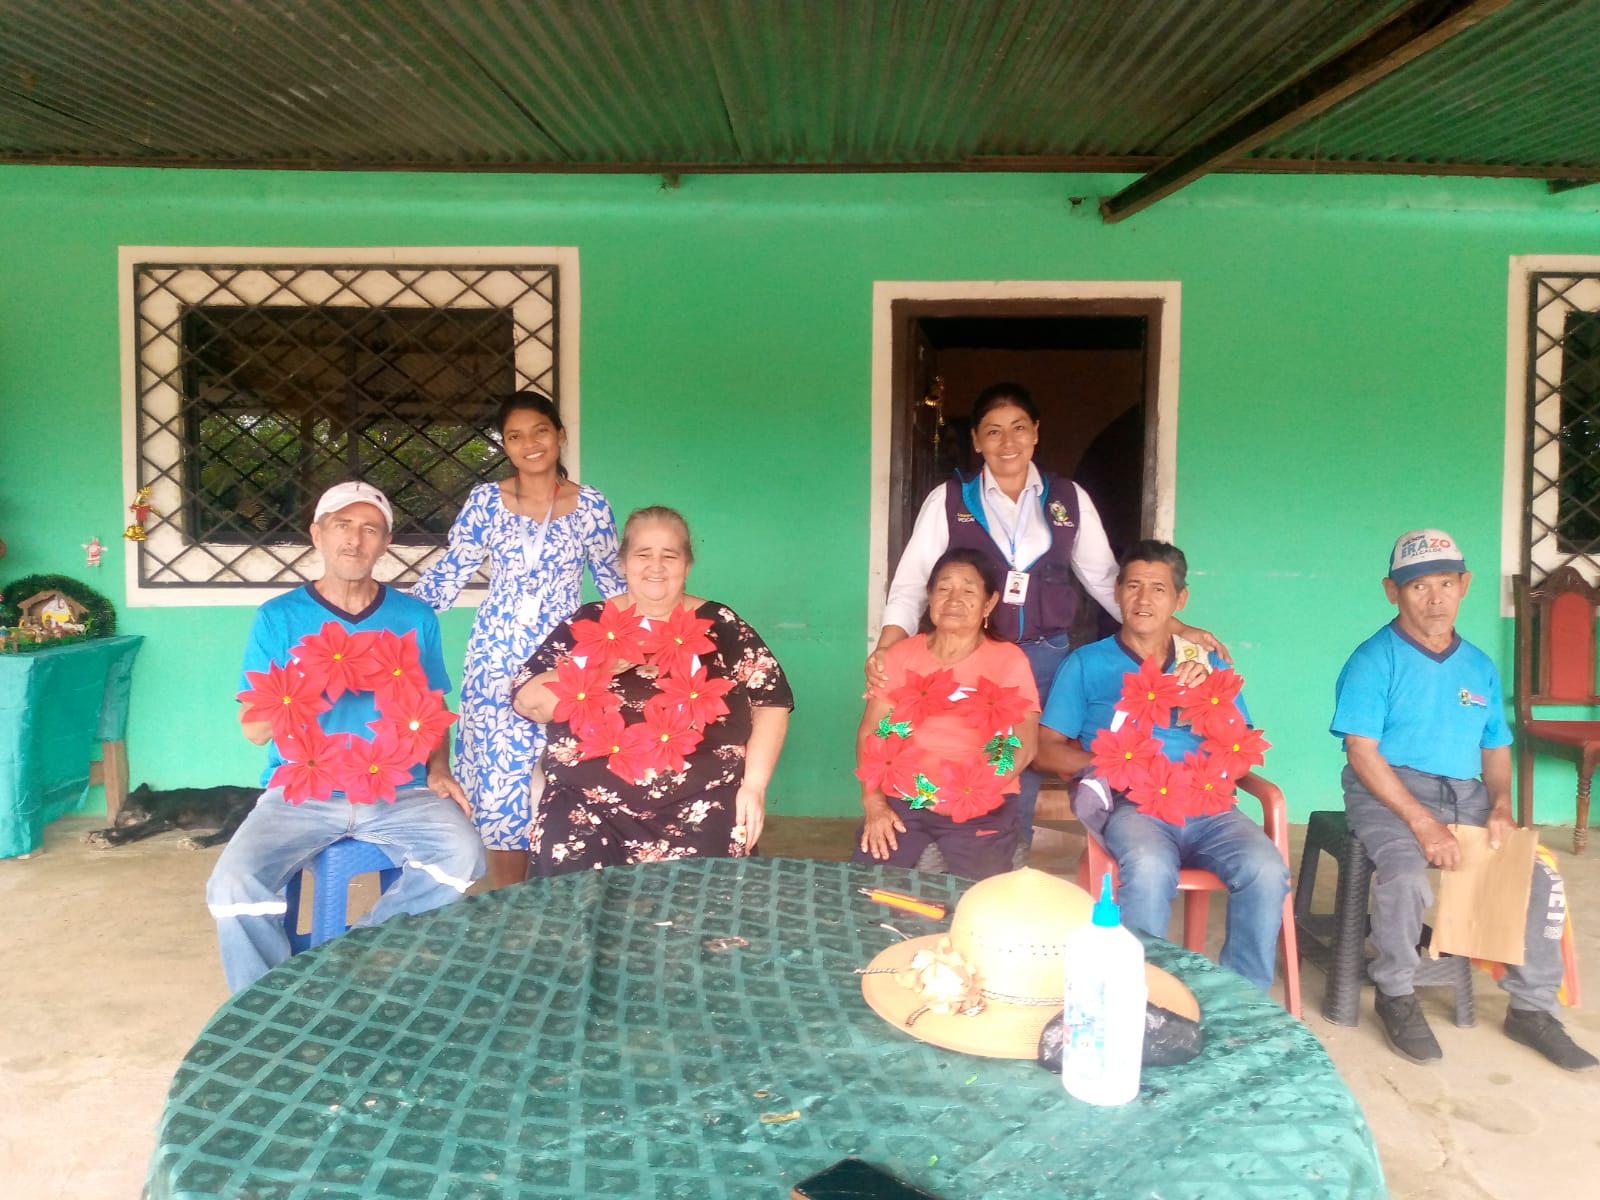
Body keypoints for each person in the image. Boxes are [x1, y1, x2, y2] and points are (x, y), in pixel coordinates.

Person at [869, 381, 1219, 855]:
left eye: (1018, 428)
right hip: (967, 657)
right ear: (976, 440)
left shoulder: (1067, 499)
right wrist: (888, 648)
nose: (1007, 442)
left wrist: (1177, 628)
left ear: (1035, 432)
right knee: (957, 746)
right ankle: (939, 850)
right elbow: (913, 581)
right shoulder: (949, 500)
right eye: (993, 431)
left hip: (1043, 657)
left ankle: (1008, 860)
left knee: (1023, 759)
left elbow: (1107, 581)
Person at [206, 482, 485, 993]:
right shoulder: (279, 617)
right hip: (300, 792)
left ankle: (346, 963)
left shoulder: (414, 617)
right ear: (317, 534)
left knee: (463, 856)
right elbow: (254, 731)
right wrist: (306, 680)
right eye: (342, 526)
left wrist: (439, 768)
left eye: (369, 529)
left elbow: (432, 710)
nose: (354, 540)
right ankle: (266, 1006)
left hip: (401, 789)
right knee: (232, 886)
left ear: (385, 543)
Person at [1332, 529, 1595, 1069]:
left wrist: (1501, 806)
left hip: (1467, 793)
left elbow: (1495, 746)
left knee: (1537, 877)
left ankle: (1531, 1009)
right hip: (1388, 790)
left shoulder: (1478, 665)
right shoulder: (1373, 659)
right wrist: (1422, 823)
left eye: (1446, 584)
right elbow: (1362, 753)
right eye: (1418, 587)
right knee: (1404, 874)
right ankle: (1396, 993)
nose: (1435, 599)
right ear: (1392, 591)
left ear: (1464, 585)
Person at [1035, 540, 1288, 993]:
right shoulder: (1087, 663)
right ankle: (1142, 998)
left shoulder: (1204, 662)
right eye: (1133, 586)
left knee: (1266, 870)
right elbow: (1046, 749)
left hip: (1208, 807)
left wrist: (1209, 696)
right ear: (1117, 592)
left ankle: (1243, 1001)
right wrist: (1113, 765)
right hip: (1133, 807)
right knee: (1150, 868)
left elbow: (1241, 745)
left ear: (1179, 600)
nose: (1143, 599)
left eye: (1158, 588)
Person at [411, 392, 623, 888]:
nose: (530, 443)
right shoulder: (486, 501)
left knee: (563, 770)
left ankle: (557, 896)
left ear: (560, 435)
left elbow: (614, 584)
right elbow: (452, 571)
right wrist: (393, 622)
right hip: (496, 657)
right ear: (505, 446)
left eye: (540, 431)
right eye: (515, 436)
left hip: (566, 657)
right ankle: (509, 903)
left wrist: (652, 639)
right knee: (501, 780)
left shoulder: (591, 505)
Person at [510, 506, 792, 875]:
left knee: (710, 891)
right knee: (570, 883)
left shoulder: (721, 624)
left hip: (703, 801)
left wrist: (754, 787)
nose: (655, 566)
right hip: (587, 802)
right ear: (623, 562)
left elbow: (771, 702)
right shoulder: (589, 622)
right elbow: (528, 703)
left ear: (687, 566)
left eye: (669, 555)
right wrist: (598, 666)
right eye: (643, 554)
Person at [853, 548, 1039, 880]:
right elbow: (873, 733)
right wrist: (874, 802)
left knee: (977, 897)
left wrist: (971, 793)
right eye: (943, 588)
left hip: (981, 801)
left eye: (968, 590)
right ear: (929, 596)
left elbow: (1023, 744)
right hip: (905, 797)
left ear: (989, 603)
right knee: (869, 887)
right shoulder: (900, 656)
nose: (954, 599)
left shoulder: (1007, 661)